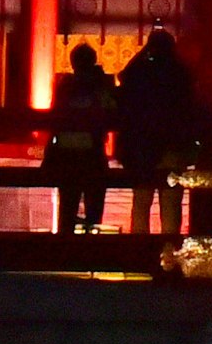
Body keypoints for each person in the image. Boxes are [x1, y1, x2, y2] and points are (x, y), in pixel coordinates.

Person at [115, 29, 198, 234]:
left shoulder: (141, 72)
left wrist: (143, 53)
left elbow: (124, 77)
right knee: (171, 203)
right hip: (173, 144)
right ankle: (168, 248)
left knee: (142, 201)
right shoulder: (179, 72)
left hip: (143, 145)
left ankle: (139, 248)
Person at [48, 44, 118, 233]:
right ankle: (91, 245)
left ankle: (66, 246)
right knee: (94, 204)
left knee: (68, 204)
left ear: (73, 63)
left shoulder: (65, 86)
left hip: (67, 151)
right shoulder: (101, 86)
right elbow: (112, 110)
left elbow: (55, 116)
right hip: (92, 151)